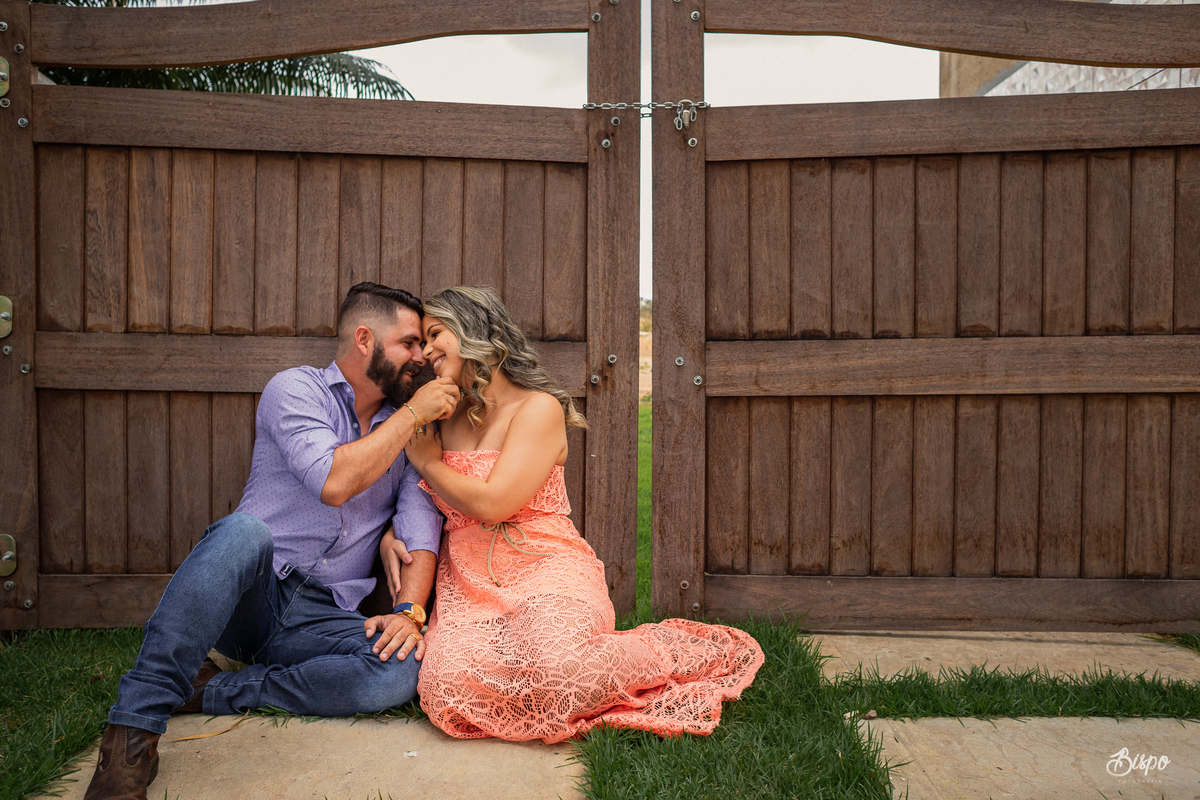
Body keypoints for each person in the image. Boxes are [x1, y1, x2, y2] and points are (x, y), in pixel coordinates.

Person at [84, 282, 460, 800]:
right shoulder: (296, 390)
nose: (421, 358)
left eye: (424, 346)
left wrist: (409, 612)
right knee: (243, 532)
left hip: (322, 612)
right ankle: (132, 731)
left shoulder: (408, 434)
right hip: (253, 597)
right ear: (365, 339)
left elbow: (421, 528)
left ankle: (217, 688)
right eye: (410, 344)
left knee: (400, 670)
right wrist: (414, 412)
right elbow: (333, 481)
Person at [399, 285, 764, 743]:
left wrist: (431, 464)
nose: (426, 349)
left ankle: (667, 651)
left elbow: (494, 504)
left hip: (546, 565)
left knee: (564, 668)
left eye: (436, 334)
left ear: (474, 330)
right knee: (445, 688)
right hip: (469, 582)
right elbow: (412, 500)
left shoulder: (538, 408)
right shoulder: (443, 415)